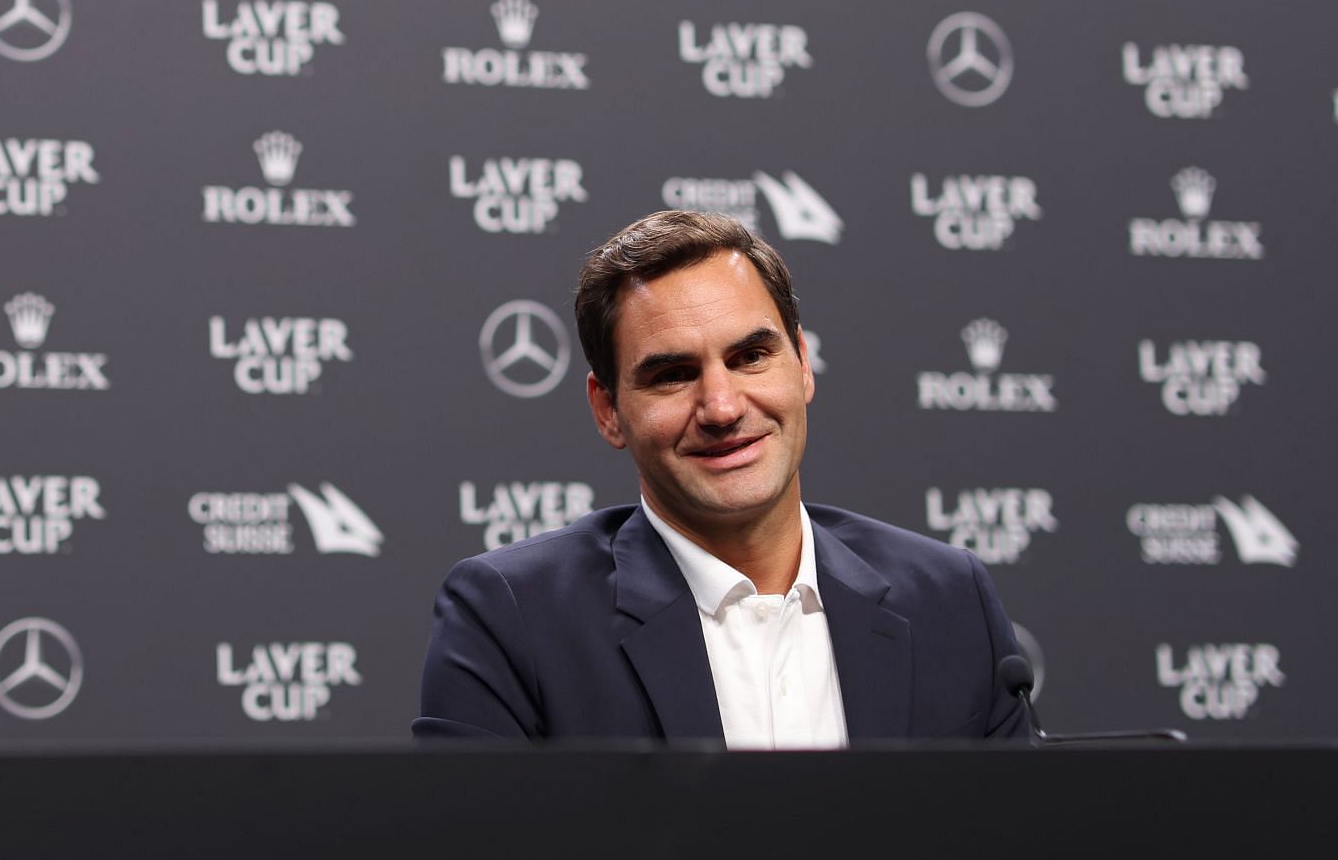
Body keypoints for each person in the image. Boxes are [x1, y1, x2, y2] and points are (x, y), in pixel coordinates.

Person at [414, 210, 1026, 744]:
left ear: (803, 365)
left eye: (750, 357)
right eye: (673, 374)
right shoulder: (512, 616)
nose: (723, 407)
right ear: (608, 410)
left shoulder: (950, 600)